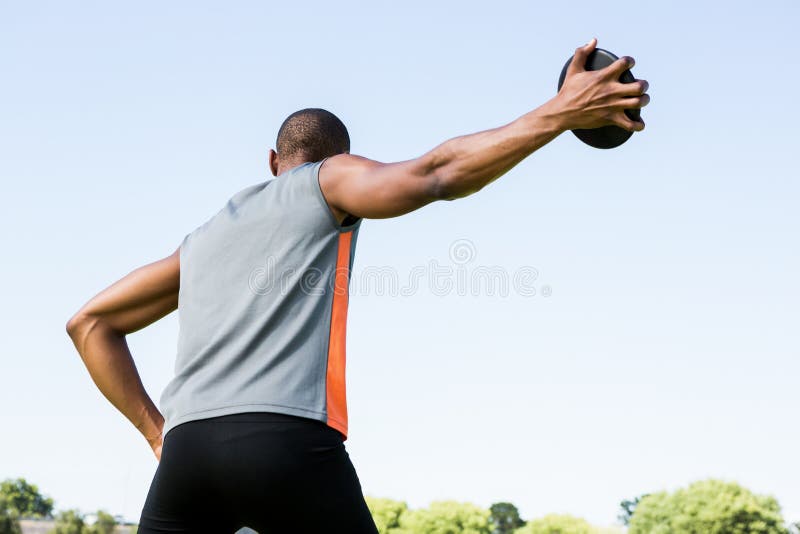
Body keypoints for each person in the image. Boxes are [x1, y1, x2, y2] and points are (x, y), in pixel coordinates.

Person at [65, 38, 649, 533]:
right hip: (283, 443)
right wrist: (560, 111)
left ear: (272, 160)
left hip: (187, 458)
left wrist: (156, 435)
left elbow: (89, 323)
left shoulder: (200, 243)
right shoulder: (328, 179)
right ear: (339, 159)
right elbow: (437, 174)